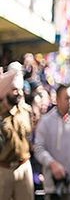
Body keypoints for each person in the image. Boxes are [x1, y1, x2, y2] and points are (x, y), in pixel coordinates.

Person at [34, 85, 70, 200]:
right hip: (54, 187)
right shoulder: (46, 122)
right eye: (67, 98)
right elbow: (38, 148)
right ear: (57, 99)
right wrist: (51, 163)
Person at [0, 66, 34, 200]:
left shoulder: (26, 111)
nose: (19, 93)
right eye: (14, 90)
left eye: (20, 90)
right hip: (3, 169)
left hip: (24, 166)